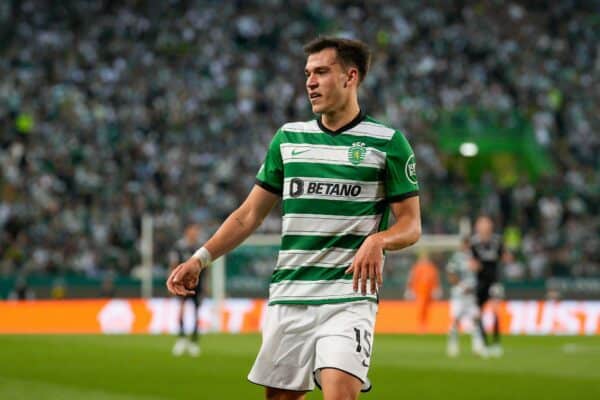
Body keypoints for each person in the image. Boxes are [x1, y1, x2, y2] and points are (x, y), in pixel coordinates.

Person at [167, 36, 421, 400]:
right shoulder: (288, 139)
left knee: (340, 393)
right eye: (308, 73)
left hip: (348, 297)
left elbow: (411, 225)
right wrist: (200, 258)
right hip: (290, 295)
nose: (310, 82)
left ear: (350, 77)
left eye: (322, 72)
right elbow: (248, 215)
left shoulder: (387, 143)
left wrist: (378, 240)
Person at [470, 215, 507, 357]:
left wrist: (506, 257)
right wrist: (473, 265)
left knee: (495, 310)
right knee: (478, 314)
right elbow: (471, 261)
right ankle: (484, 344)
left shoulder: (497, 241)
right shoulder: (474, 243)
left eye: (486, 223)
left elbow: (505, 256)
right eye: (481, 224)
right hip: (480, 282)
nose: (483, 226)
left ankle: (496, 343)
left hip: (494, 281)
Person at [169, 223, 208, 357]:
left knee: (197, 311)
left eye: (196, 231)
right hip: (182, 284)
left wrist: (206, 284)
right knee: (181, 309)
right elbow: (173, 264)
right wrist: (174, 280)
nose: (195, 233)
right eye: (193, 230)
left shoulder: (200, 248)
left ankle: (194, 341)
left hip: (198, 283)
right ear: (187, 231)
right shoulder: (179, 247)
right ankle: (181, 338)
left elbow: (206, 267)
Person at [445, 237, 486, 357]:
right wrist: (461, 286)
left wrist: (478, 269)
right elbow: (450, 274)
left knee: (476, 318)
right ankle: (453, 345)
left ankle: (478, 346)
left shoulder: (475, 258)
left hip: (472, 295)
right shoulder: (456, 258)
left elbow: (481, 272)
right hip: (459, 294)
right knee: (456, 320)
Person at [404, 251, 441, 333]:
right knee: (421, 308)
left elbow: (434, 278)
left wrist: (436, 289)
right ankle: (421, 325)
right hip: (420, 291)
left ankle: (425, 325)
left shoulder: (431, 267)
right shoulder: (417, 267)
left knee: (426, 309)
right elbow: (412, 278)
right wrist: (410, 289)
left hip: (428, 291)